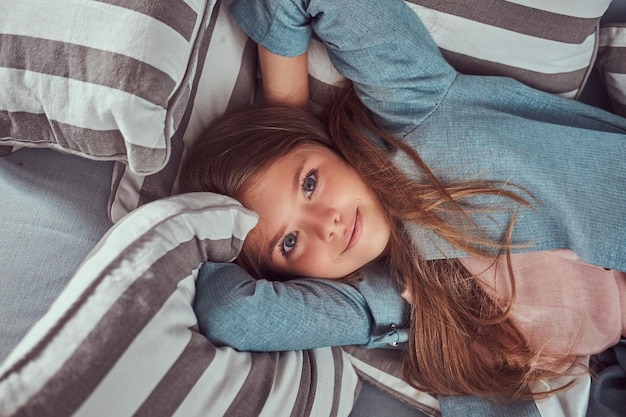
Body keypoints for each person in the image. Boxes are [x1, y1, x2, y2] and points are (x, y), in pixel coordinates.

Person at [179, 0, 626, 404]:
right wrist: (209, 233)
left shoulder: (415, 109)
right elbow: (231, 314)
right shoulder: (378, 300)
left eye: (310, 183)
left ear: (325, 146)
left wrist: (290, 114)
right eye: (290, 242)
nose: (326, 224)